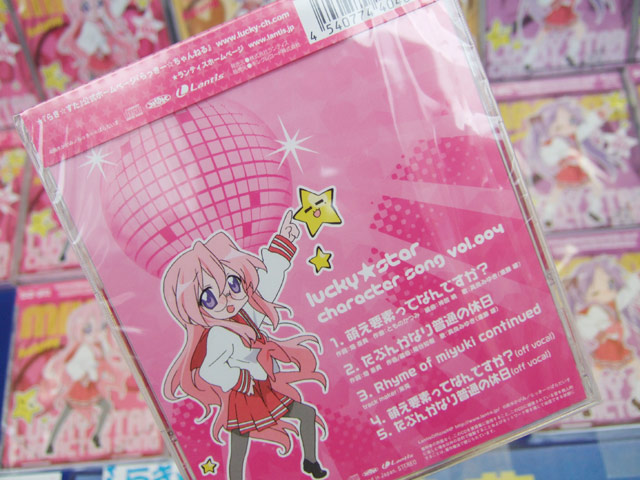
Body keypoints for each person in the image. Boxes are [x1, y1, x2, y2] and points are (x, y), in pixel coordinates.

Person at [162, 210, 329, 480]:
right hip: (246, 392)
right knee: (240, 442)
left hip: (262, 388)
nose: (227, 298)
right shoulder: (218, 334)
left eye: (233, 284)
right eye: (209, 298)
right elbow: (210, 369)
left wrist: (284, 243)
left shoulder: (245, 316)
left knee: (301, 416)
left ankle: (310, 462)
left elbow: (268, 286)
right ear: (194, 307)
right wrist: (243, 377)